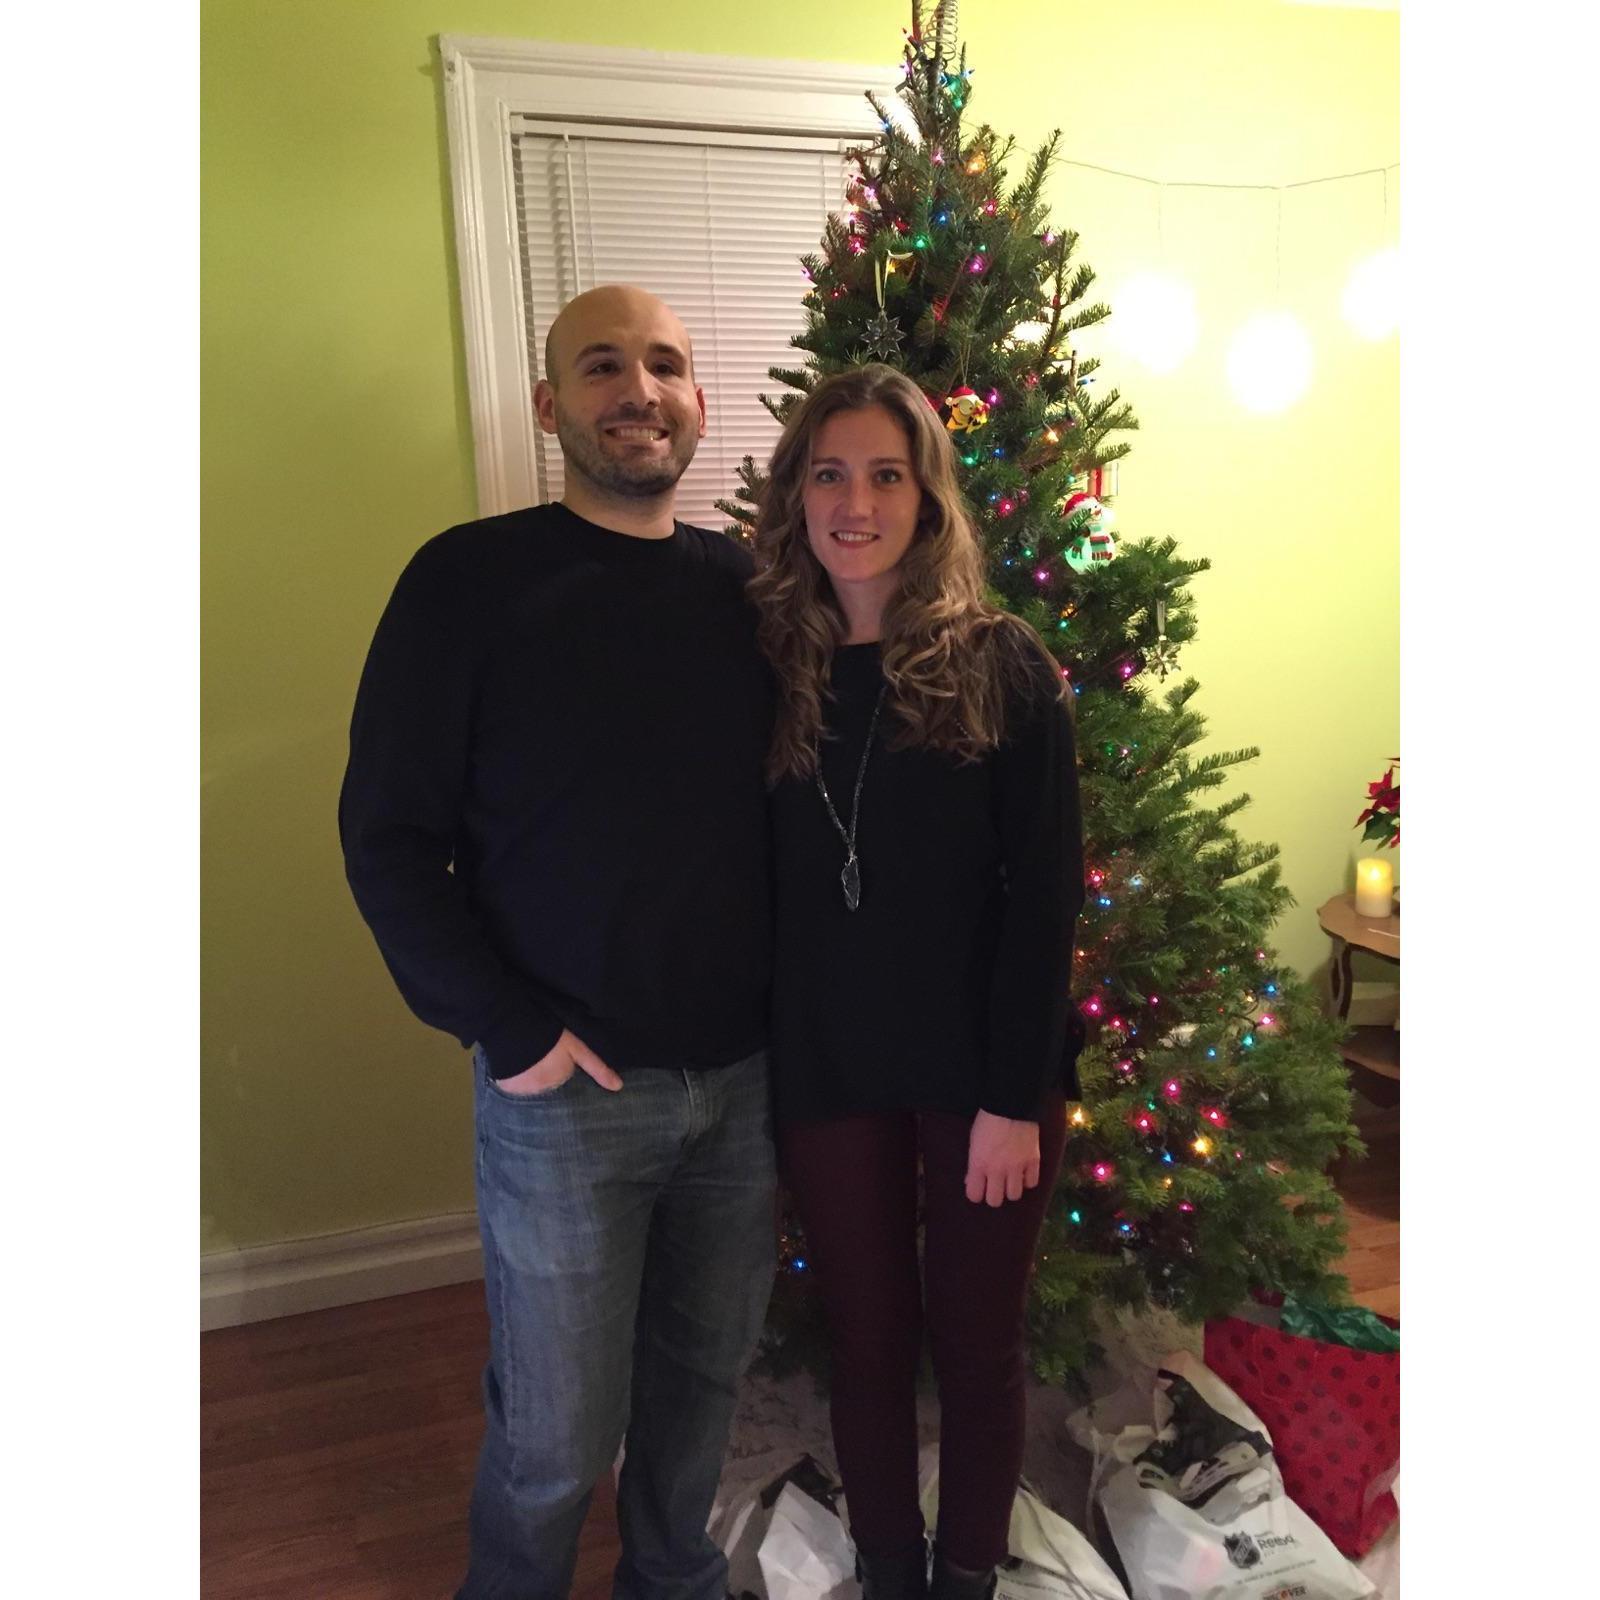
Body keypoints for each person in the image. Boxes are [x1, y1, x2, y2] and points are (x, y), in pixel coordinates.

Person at [338, 285, 777, 1600]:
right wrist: (505, 1026)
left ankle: (671, 1579)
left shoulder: (753, 592)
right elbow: (389, 837)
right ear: (549, 405)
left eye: (665, 365)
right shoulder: (466, 582)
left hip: (745, 1085)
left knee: (702, 1389)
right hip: (564, 1092)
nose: (638, 390)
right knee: (555, 1432)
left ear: (697, 402)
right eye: (601, 366)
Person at [748, 364, 1086, 1600]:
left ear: (927, 496)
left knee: (978, 1344)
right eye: (830, 474)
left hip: (983, 1075)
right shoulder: (765, 670)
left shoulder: (1003, 665)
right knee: (869, 1341)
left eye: (886, 474)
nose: (857, 503)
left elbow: (1043, 897)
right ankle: (891, 1569)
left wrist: (1010, 1097)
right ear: (796, 495)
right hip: (830, 1066)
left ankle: (969, 1575)